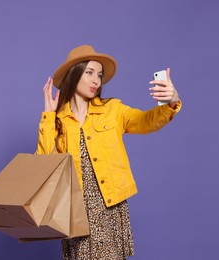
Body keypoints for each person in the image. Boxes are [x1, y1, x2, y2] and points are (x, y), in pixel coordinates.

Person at [36, 45, 181, 259]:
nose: (96, 80)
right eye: (89, 72)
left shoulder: (113, 110)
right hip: (76, 210)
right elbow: (43, 164)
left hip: (109, 205)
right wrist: (48, 116)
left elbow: (146, 121)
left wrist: (171, 100)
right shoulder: (59, 119)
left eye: (100, 75)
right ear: (74, 74)